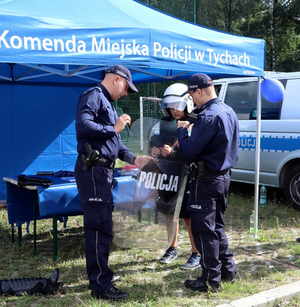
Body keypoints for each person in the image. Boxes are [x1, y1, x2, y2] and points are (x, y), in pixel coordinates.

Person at [75, 64, 151, 301]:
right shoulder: (93, 95)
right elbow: (83, 125)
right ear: (117, 79)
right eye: (127, 87)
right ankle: (100, 285)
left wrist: (134, 158)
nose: (126, 93)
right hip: (93, 171)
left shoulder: (107, 103)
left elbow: (114, 144)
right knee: (98, 228)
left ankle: (102, 276)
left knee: (104, 227)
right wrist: (114, 126)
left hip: (103, 172)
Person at [176, 73, 239, 292]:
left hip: (207, 180)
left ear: (200, 90)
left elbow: (189, 152)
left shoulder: (210, 116)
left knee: (204, 230)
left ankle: (210, 279)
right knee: (217, 227)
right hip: (223, 177)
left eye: (192, 94)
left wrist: (182, 132)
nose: (191, 99)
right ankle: (228, 270)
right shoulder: (227, 110)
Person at [149, 83, 201, 270]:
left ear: (186, 101)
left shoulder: (197, 119)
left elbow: (194, 150)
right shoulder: (164, 122)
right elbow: (156, 144)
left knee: (188, 216)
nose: (173, 110)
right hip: (169, 173)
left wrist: (175, 150)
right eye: (169, 106)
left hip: (189, 174)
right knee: (170, 213)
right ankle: (172, 247)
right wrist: (155, 150)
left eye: (176, 106)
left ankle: (196, 252)